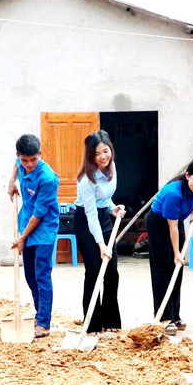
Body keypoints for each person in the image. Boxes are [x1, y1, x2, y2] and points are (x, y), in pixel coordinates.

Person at [146, 159, 193, 335]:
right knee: (163, 269)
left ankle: (175, 315)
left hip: (175, 222)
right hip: (159, 224)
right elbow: (172, 227)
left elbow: (192, 202)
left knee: (177, 269)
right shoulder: (174, 193)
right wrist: (176, 253)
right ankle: (164, 317)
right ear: (187, 175)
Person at [8, 134, 60, 338]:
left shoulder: (47, 178)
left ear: (40, 154)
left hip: (44, 228)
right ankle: (39, 313)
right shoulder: (19, 163)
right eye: (24, 160)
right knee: (30, 274)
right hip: (26, 221)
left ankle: (44, 323)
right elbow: (15, 165)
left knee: (42, 275)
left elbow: (40, 213)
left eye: (33, 160)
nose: (28, 165)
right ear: (18, 156)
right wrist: (11, 181)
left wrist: (22, 238)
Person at [74, 131, 126, 333]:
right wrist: (101, 245)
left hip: (104, 218)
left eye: (106, 151)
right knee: (95, 271)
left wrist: (113, 208)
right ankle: (92, 323)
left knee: (112, 272)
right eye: (98, 154)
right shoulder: (86, 180)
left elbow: (105, 199)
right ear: (91, 156)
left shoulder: (111, 167)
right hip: (86, 222)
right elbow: (90, 214)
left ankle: (111, 321)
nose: (104, 156)